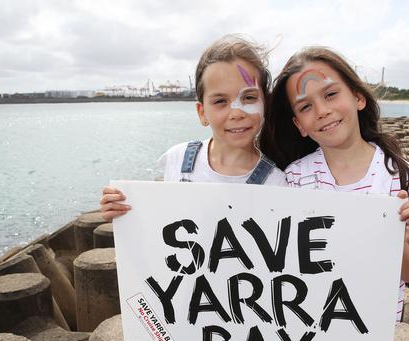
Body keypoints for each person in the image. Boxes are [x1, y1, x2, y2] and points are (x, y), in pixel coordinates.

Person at [260, 47, 409, 322]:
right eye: (305, 106)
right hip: (310, 329)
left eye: (330, 94)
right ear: (299, 124)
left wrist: (400, 239)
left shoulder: (398, 175)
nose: (322, 111)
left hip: (376, 332)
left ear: (358, 97)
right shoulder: (292, 180)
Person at [100, 35, 287, 221]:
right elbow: (161, 222)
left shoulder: (276, 183)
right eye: (221, 101)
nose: (236, 112)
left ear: (266, 104)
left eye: (249, 97)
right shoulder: (176, 160)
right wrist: (122, 211)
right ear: (202, 112)